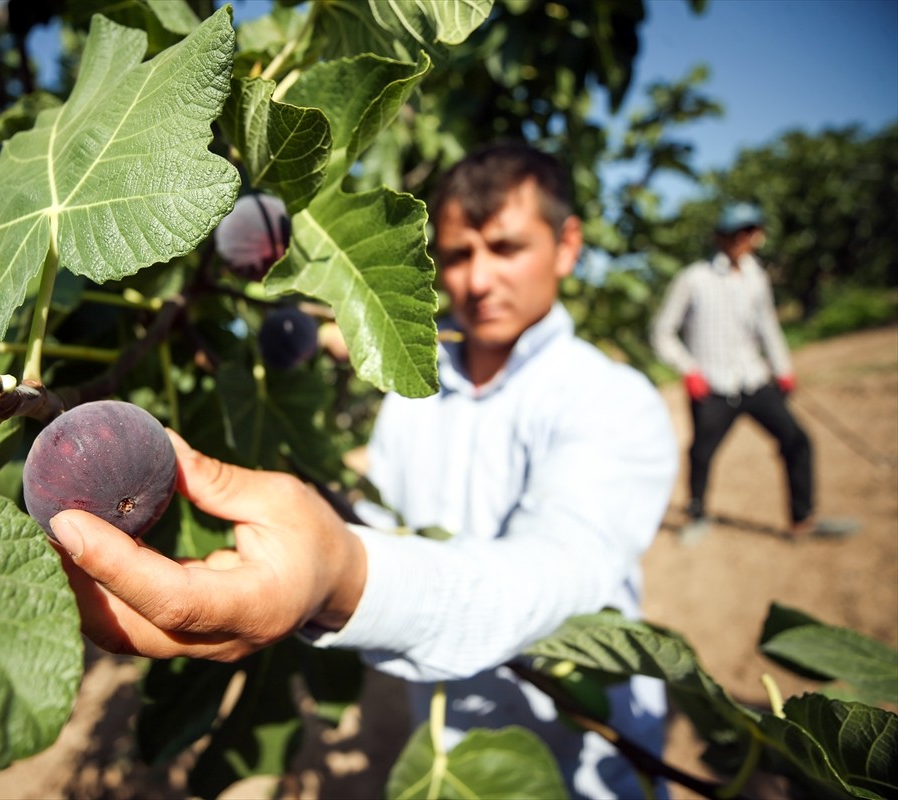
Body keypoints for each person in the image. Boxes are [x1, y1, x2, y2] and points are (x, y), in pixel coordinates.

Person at [47, 141, 678, 798]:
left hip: (582, 764)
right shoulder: (413, 392)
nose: (478, 279)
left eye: (506, 248)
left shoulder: (612, 400)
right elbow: (383, 521)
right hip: (428, 735)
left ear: (567, 245)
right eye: (459, 255)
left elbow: (554, 578)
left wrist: (344, 574)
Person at [651, 202, 854, 541]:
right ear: (720, 237)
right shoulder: (693, 279)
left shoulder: (757, 276)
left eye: (747, 233)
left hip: (754, 380)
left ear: (756, 236)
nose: (741, 240)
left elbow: (768, 327)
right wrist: (689, 370)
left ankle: (802, 518)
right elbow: (661, 332)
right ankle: (697, 514)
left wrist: (782, 368)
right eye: (734, 234)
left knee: (797, 440)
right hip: (713, 386)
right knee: (702, 452)